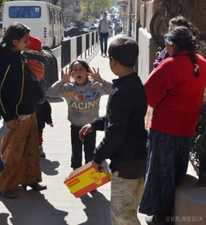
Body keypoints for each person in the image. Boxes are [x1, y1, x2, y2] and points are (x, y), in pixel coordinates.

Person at [140, 26, 206, 224]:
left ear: (174, 45)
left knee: (160, 173)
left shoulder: (169, 65)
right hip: (187, 128)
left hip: (165, 128)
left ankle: (161, 214)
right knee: (177, 170)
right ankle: (170, 211)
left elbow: (149, 96)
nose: (166, 48)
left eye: (168, 44)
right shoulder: (201, 63)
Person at [79, 37, 148, 225]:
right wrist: (95, 123)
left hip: (126, 162)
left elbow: (115, 132)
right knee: (128, 211)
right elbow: (123, 120)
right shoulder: (135, 84)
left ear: (113, 61)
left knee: (122, 215)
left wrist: (97, 157)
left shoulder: (121, 92)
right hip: (137, 157)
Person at [0, 22, 46, 199]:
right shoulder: (8, 60)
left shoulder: (19, 56)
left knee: (31, 150)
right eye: (25, 40)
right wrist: (8, 117)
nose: (28, 43)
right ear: (15, 41)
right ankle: (4, 185)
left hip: (30, 111)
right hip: (17, 116)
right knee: (12, 153)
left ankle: (30, 179)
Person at [47, 60, 112, 170]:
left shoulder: (96, 87)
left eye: (81, 69)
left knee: (90, 154)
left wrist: (102, 80)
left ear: (87, 72)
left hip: (91, 127)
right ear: (72, 74)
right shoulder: (68, 88)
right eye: (75, 70)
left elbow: (114, 89)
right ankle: (77, 180)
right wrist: (61, 82)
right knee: (76, 155)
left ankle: (90, 181)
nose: (78, 72)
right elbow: (50, 92)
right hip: (75, 126)